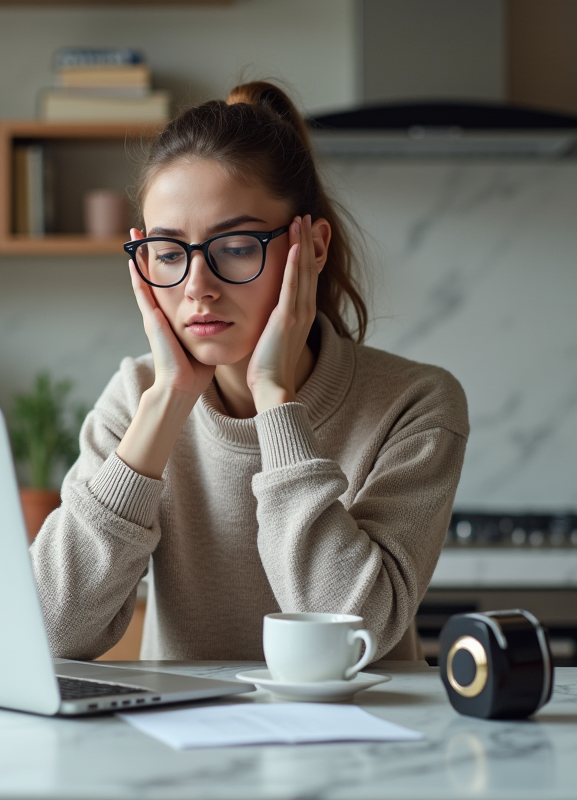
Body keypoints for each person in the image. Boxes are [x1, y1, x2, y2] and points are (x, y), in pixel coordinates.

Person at [30, 80, 469, 664]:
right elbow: (48, 633)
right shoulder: (138, 398)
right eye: (167, 252)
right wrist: (166, 406)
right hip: (183, 746)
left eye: (235, 246)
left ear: (310, 248)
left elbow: (349, 637)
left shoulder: (415, 403)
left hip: (362, 748)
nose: (196, 288)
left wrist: (275, 402)